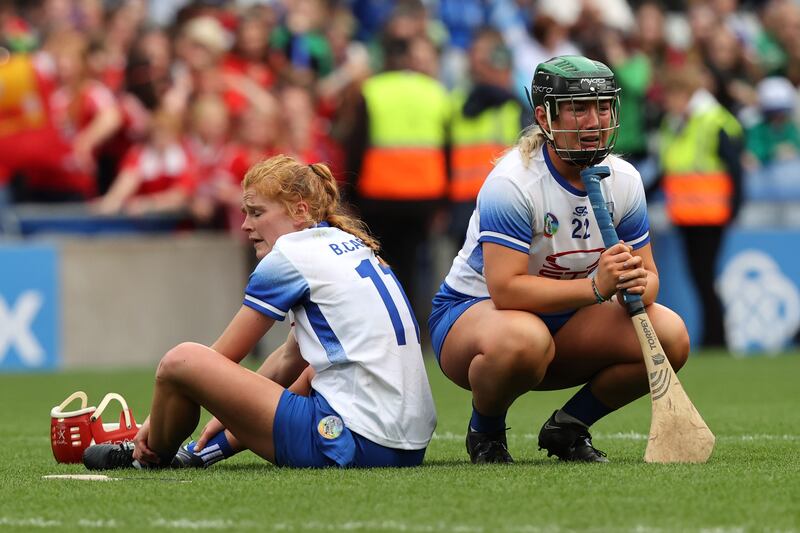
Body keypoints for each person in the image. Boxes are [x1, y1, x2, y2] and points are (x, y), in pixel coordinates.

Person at [83, 155, 436, 470]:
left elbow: (220, 358)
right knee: (313, 373)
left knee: (181, 361)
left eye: (257, 212)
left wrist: (153, 420)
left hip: (356, 439)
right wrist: (230, 414)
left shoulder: (291, 255)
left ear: (299, 211)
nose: (245, 226)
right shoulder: (348, 244)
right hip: (406, 444)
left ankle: (146, 454)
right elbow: (288, 359)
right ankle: (198, 454)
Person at [428, 55, 689, 464]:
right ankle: (487, 430)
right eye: (578, 108)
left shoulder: (625, 180)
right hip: (475, 315)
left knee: (670, 335)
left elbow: (650, 279)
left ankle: (568, 426)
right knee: (524, 339)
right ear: (545, 117)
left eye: (603, 107)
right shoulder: (514, 183)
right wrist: (594, 287)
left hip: (566, 320)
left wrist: (634, 285)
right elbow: (506, 289)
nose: (594, 121)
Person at [656, 61, 743, 349]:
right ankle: (713, 336)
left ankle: (716, 338)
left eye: (671, 94)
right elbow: (669, 167)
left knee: (704, 276)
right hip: (687, 215)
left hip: (710, 215)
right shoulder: (677, 122)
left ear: (685, 93)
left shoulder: (711, 120)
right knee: (700, 277)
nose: (668, 101)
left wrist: (735, 206)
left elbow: (734, 166)